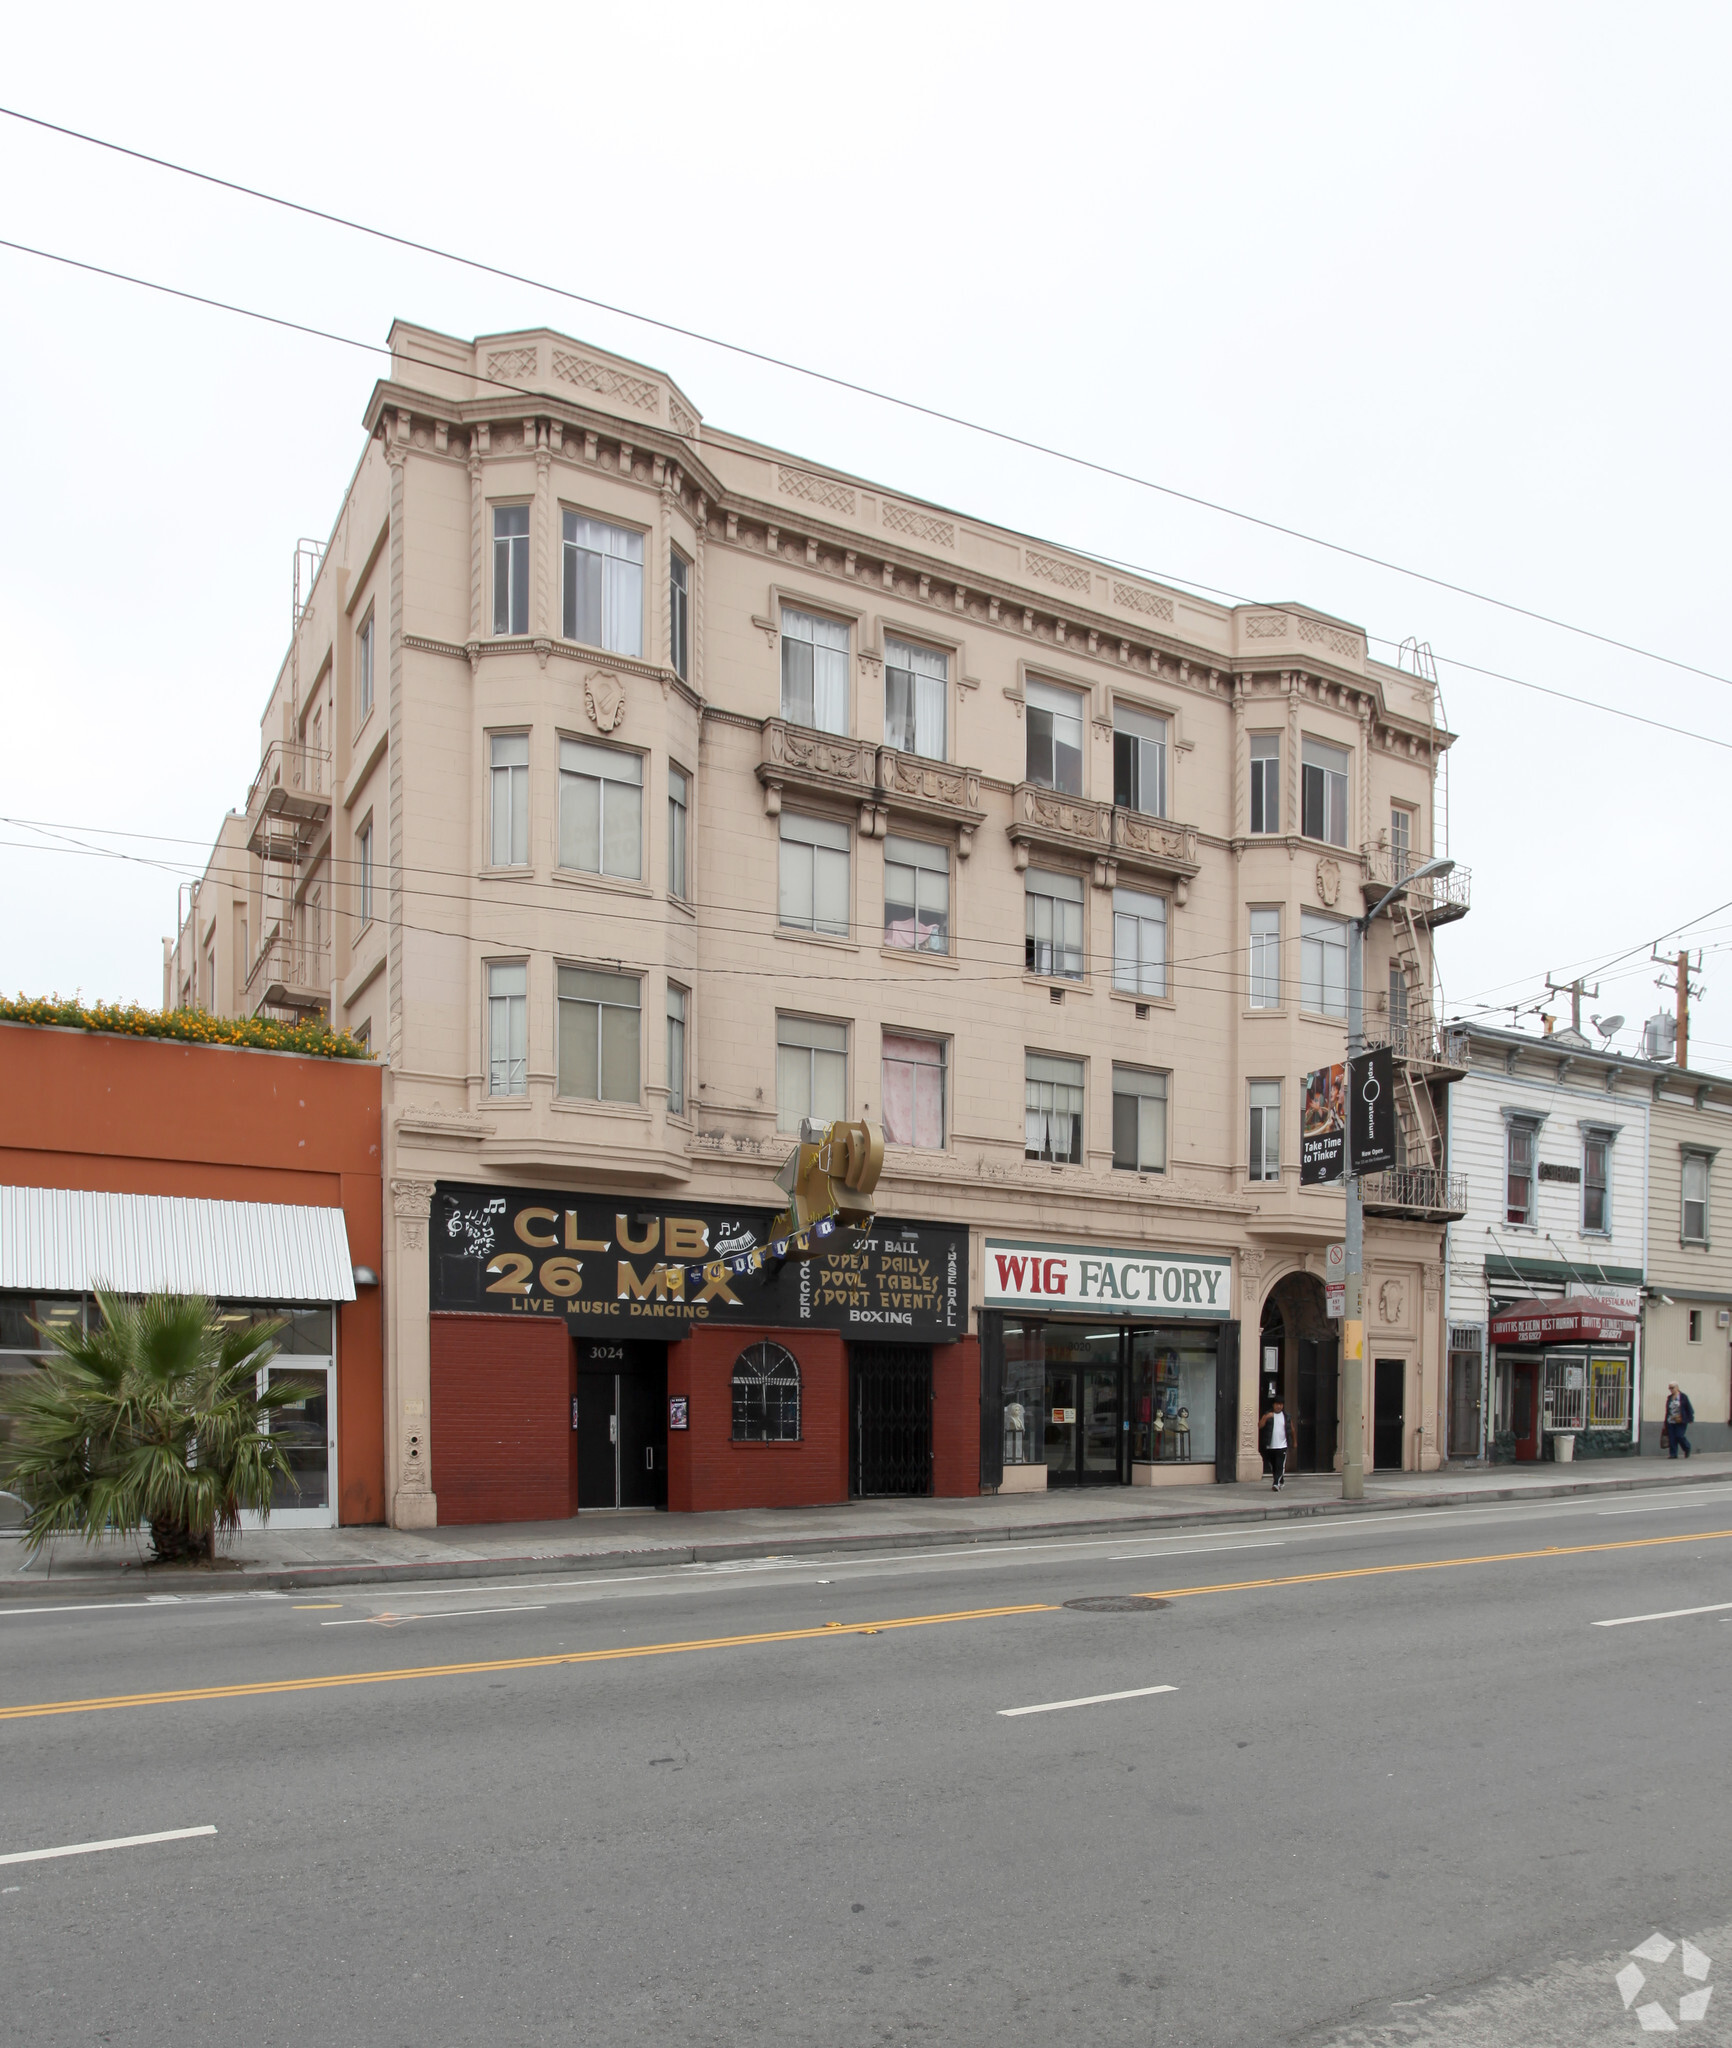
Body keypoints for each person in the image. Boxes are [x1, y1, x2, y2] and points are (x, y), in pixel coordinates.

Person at [1259, 1396, 1291, 1491]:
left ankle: (1276, 1483)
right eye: (1277, 1404)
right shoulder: (1268, 1415)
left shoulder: (1286, 1416)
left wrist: (1294, 1441)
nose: (1279, 1406)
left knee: (1280, 1465)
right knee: (1273, 1465)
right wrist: (1265, 1418)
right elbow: (1260, 1426)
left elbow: (1291, 1428)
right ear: (1273, 1405)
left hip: (1282, 1445)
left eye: (1281, 1404)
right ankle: (1280, 1480)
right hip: (1271, 1446)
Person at [1664, 1383, 1694, 1459]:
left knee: (1679, 1435)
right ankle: (1673, 1454)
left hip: (1681, 1420)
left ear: (1677, 1387)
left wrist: (1691, 1418)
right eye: (1669, 1388)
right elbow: (1668, 1410)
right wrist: (1665, 1422)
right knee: (1672, 1437)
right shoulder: (1669, 1398)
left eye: (1672, 1388)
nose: (1671, 1390)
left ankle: (1687, 1447)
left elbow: (1689, 1408)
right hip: (1671, 1420)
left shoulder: (1683, 1397)